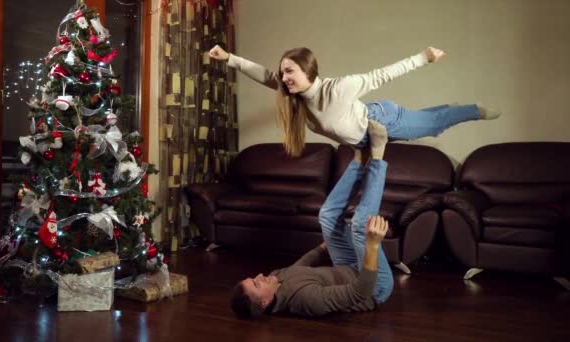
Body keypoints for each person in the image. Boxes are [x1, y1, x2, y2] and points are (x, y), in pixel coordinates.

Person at [209, 45, 501, 157]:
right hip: (365, 140)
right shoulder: (294, 94)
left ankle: (473, 110)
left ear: (308, 71)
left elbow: (381, 75)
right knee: (429, 120)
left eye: (290, 71)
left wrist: (424, 57)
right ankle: (445, 112)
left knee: (434, 125)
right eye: (282, 72)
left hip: (382, 119)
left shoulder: (339, 88)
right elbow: (262, 74)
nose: (283, 77)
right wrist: (229, 58)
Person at [230, 125, 393, 318]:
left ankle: (360, 157)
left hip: (347, 268)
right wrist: (372, 245)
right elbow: (360, 292)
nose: (259, 276)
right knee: (359, 226)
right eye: (257, 284)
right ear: (264, 302)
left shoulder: (275, 278)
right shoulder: (306, 300)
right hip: (373, 286)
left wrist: (323, 247)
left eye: (253, 278)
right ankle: (378, 153)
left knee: (327, 216)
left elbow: (301, 266)